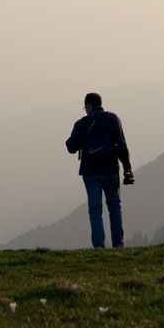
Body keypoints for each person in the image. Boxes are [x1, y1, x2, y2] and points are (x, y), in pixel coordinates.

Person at [65, 92, 134, 248]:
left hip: (90, 172)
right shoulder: (112, 119)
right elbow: (121, 144)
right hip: (110, 169)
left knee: (95, 210)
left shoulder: (81, 124)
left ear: (88, 105)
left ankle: (99, 247)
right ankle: (118, 245)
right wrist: (127, 168)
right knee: (115, 208)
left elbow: (71, 148)